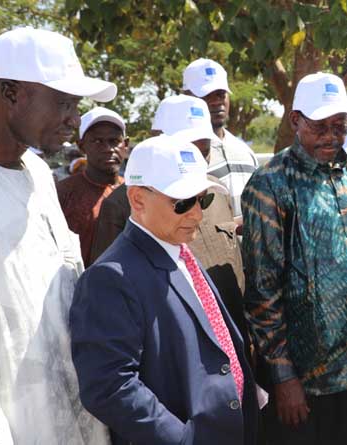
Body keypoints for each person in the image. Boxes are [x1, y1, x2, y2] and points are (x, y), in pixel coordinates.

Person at [240, 72, 347, 445]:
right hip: (310, 380)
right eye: (320, 126)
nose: (331, 136)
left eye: (339, 126)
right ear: (295, 120)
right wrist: (283, 376)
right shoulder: (269, 184)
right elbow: (262, 291)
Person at [70, 136, 259, 444]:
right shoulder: (110, 278)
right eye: (182, 203)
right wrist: (181, 439)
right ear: (138, 199)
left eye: (203, 199)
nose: (197, 214)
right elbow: (108, 386)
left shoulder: (179, 249)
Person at [0, 27, 115, 445]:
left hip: (73, 419)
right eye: (63, 102)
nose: (75, 119)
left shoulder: (38, 173)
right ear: (10, 92)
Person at [89, 95, 251, 343]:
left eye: (204, 150)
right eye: (187, 150)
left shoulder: (217, 192)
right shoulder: (121, 205)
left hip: (233, 339)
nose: (195, 212)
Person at [183, 58, 258, 220]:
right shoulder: (183, 155)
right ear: (186, 96)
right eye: (206, 95)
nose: (217, 101)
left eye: (221, 94)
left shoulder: (245, 152)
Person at [57, 107, 127, 266]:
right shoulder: (63, 193)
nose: (108, 149)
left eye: (114, 141)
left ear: (126, 144)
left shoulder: (137, 193)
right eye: (97, 141)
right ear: (82, 146)